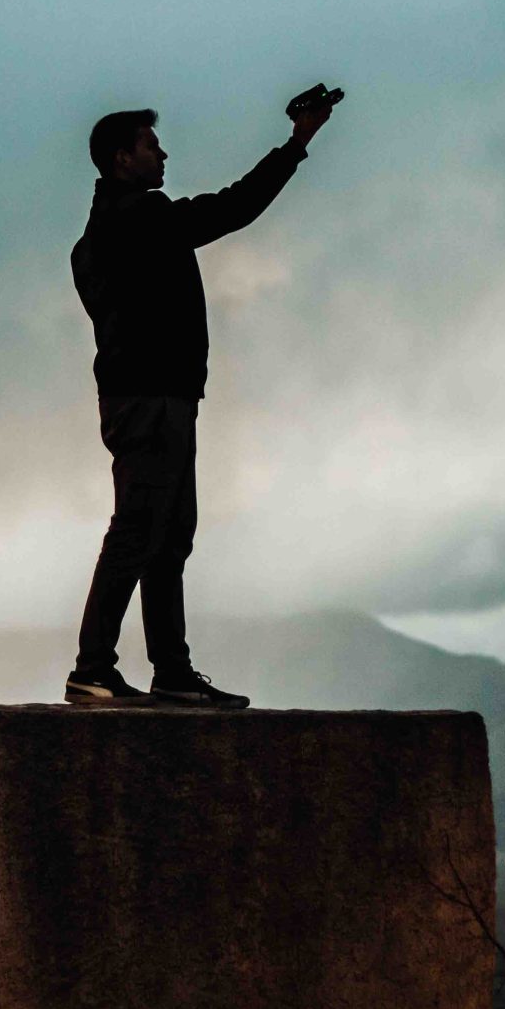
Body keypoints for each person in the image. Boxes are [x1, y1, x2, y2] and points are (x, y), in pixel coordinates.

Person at [64, 84, 341, 708]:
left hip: (154, 399)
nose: (163, 155)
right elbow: (232, 208)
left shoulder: (97, 238)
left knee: (166, 536)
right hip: (151, 402)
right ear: (121, 159)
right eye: (151, 146)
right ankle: (93, 668)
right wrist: (297, 143)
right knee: (140, 532)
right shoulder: (141, 221)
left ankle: (171, 672)